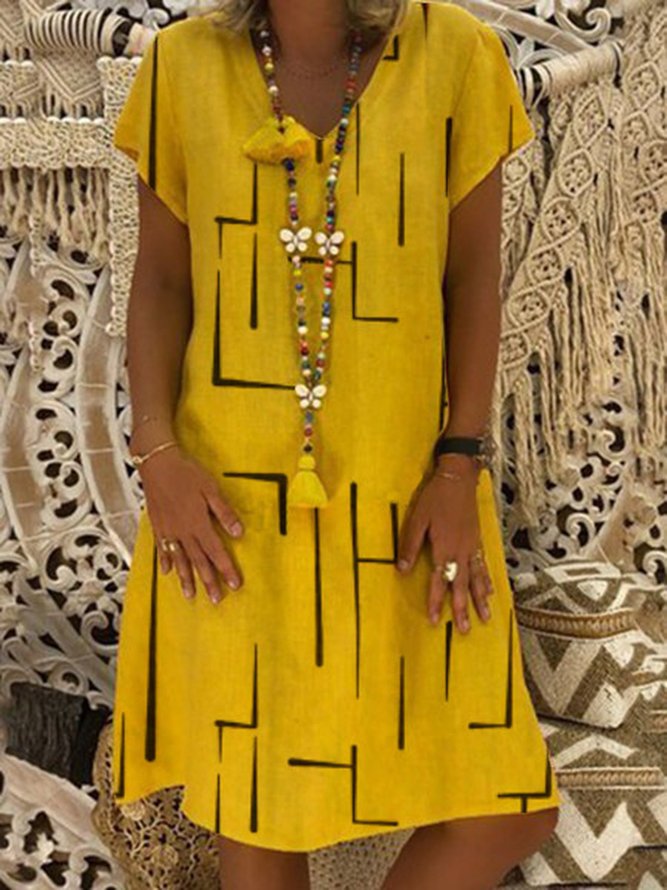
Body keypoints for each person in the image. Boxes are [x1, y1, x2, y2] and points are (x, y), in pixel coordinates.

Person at [110, 1, 561, 887]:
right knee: (258, 802)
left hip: (412, 499)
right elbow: (160, 281)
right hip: (227, 507)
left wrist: (457, 465)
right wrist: (157, 456)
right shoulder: (181, 66)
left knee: (507, 808)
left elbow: (473, 280)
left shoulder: (456, 56)